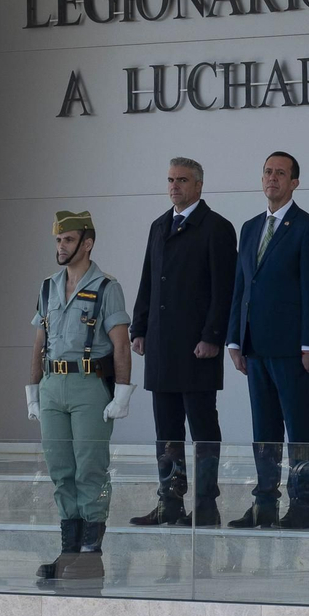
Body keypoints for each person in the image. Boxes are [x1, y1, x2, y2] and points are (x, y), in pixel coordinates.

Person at [130, 158, 237, 528]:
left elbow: (224, 292)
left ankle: (206, 505)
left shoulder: (217, 228)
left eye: (183, 180)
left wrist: (212, 338)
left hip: (197, 348)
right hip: (161, 345)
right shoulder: (159, 225)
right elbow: (148, 280)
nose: (175, 186)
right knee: (166, 430)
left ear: (199, 185)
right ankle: (169, 503)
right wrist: (138, 328)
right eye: (171, 180)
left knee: (203, 427)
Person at [27, 211, 134, 581]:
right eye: (58, 240)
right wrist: (32, 390)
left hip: (89, 385)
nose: (61, 246)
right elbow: (39, 342)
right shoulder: (47, 287)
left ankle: (92, 552)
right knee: (60, 469)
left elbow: (121, 345)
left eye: (68, 240)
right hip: (52, 386)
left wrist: (122, 393)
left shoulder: (106, 286)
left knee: (90, 468)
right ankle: (68, 551)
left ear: (86, 243)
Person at [226, 151, 309, 530]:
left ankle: (302, 506)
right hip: (254, 345)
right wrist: (235, 339)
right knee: (263, 430)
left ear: (294, 182)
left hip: (292, 348)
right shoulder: (251, 226)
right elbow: (241, 285)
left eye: (281, 174)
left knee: (299, 429)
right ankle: (264, 504)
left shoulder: (307, 227)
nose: (272, 179)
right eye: (267, 172)